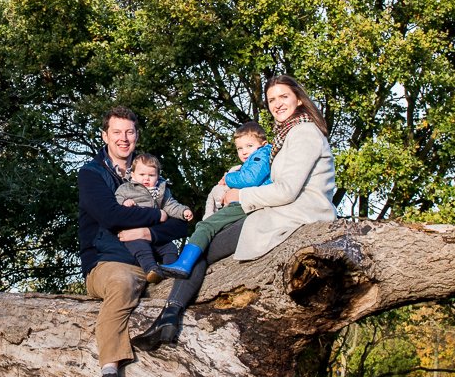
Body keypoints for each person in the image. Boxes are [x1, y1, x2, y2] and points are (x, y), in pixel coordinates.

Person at [135, 76, 335, 350]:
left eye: (283, 97)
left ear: (299, 99)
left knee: (202, 248)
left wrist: (240, 195)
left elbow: (287, 190)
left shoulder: (304, 133)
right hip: (281, 209)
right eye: (272, 100)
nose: (277, 104)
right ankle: (168, 317)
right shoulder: (288, 134)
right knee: (204, 243)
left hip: (296, 213)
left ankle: (169, 317)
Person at [78, 106, 192, 377]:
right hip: (108, 262)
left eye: (129, 132)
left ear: (136, 135)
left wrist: (146, 230)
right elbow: (110, 216)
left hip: (152, 261)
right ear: (105, 136)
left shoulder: (149, 172)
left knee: (190, 276)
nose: (124, 138)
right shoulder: (91, 174)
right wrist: (156, 216)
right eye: (117, 132)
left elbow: (181, 222)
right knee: (123, 283)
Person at [156, 122, 270, 284]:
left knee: (206, 225)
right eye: (240, 148)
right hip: (249, 203)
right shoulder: (256, 158)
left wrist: (228, 179)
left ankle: (183, 263)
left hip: (248, 202)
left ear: (262, 144)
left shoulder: (261, 155)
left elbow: (250, 179)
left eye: (249, 145)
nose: (244, 152)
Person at [114, 152, 193, 280]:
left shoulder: (160, 190)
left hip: (155, 231)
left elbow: (170, 205)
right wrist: (124, 203)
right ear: (132, 174)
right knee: (141, 249)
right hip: (133, 232)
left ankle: (171, 269)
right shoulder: (126, 188)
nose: (146, 178)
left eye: (151, 175)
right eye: (142, 174)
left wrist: (183, 211)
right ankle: (151, 270)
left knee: (170, 248)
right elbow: (116, 202)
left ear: (157, 176)